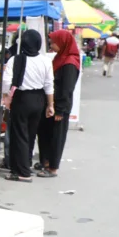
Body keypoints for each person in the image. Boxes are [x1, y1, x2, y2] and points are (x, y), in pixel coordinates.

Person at [1, 30, 53, 182]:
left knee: (19, 135)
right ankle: (25, 164)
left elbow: (6, 82)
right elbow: (49, 85)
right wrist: (51, 105)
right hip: (39, 99)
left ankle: (22, 172)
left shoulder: (15, 60)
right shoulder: (45, 61)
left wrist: (6, 97)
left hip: (22, 99)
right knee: (30, 134)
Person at [35, 30, 81, 178]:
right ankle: (46, 161)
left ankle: (53, 168)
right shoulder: (60, 58)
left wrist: (60, 110)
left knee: (56, 136)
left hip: (60, 106)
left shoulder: (69, 63)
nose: (51, 45)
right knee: (45, 133)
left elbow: (67, 89)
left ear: (62, 42)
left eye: (53, 42)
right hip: (51, 104)